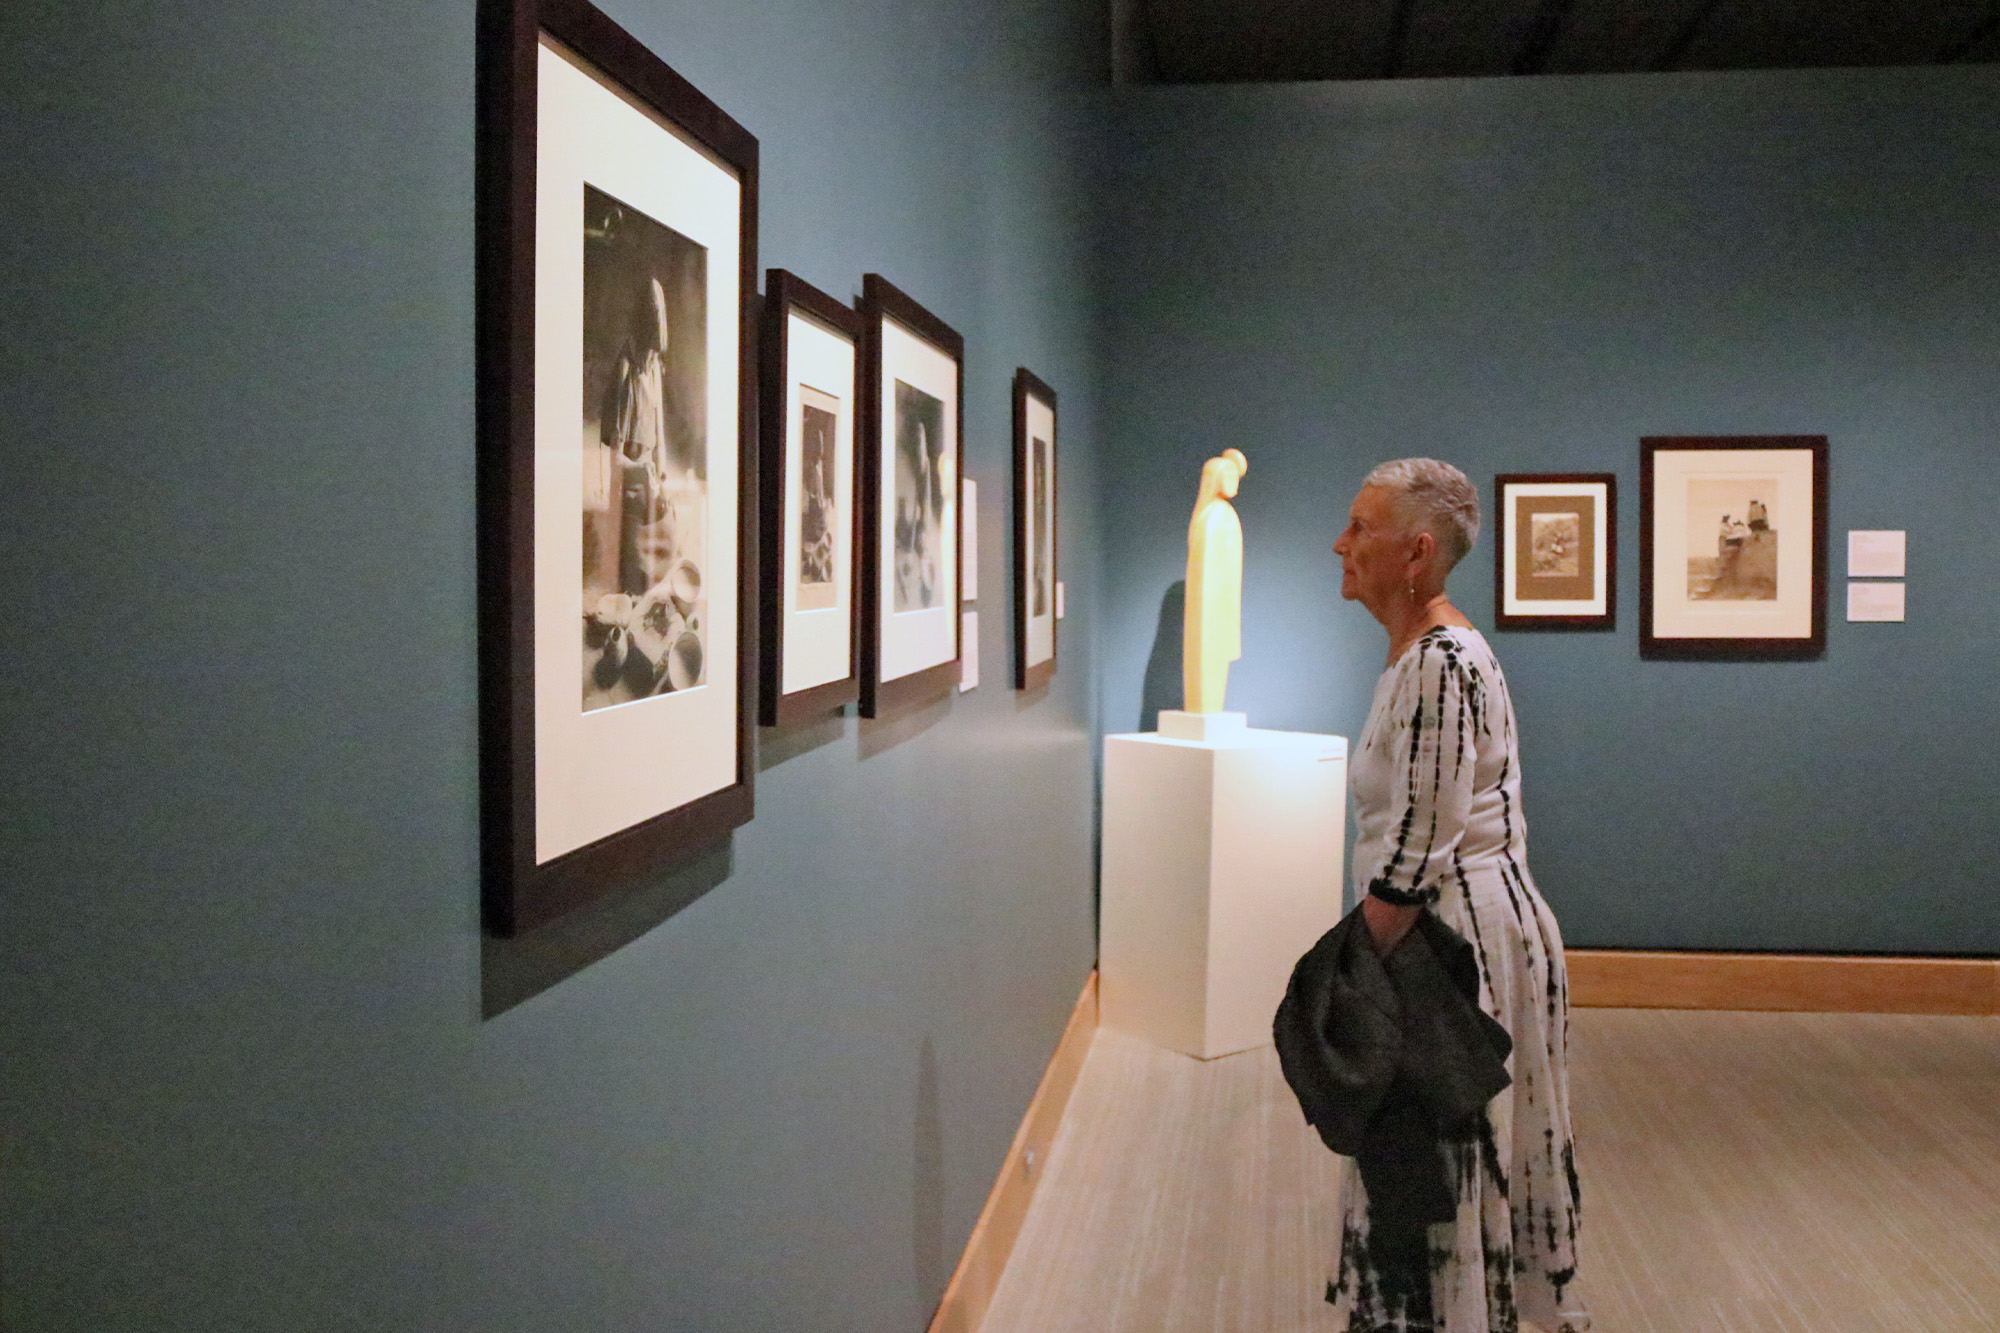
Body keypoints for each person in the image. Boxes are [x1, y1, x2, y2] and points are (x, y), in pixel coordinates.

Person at [1327, 458, 1588, 1333]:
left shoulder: (1442, 662)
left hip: (1455, 947)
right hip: (1464, 932)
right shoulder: (1425, 657)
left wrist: (1343, 976)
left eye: (1362, 527)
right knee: (1445, 1163)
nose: (1342, 542)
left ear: (1418, 553)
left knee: (1437, 1167)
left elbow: (1417, 851)